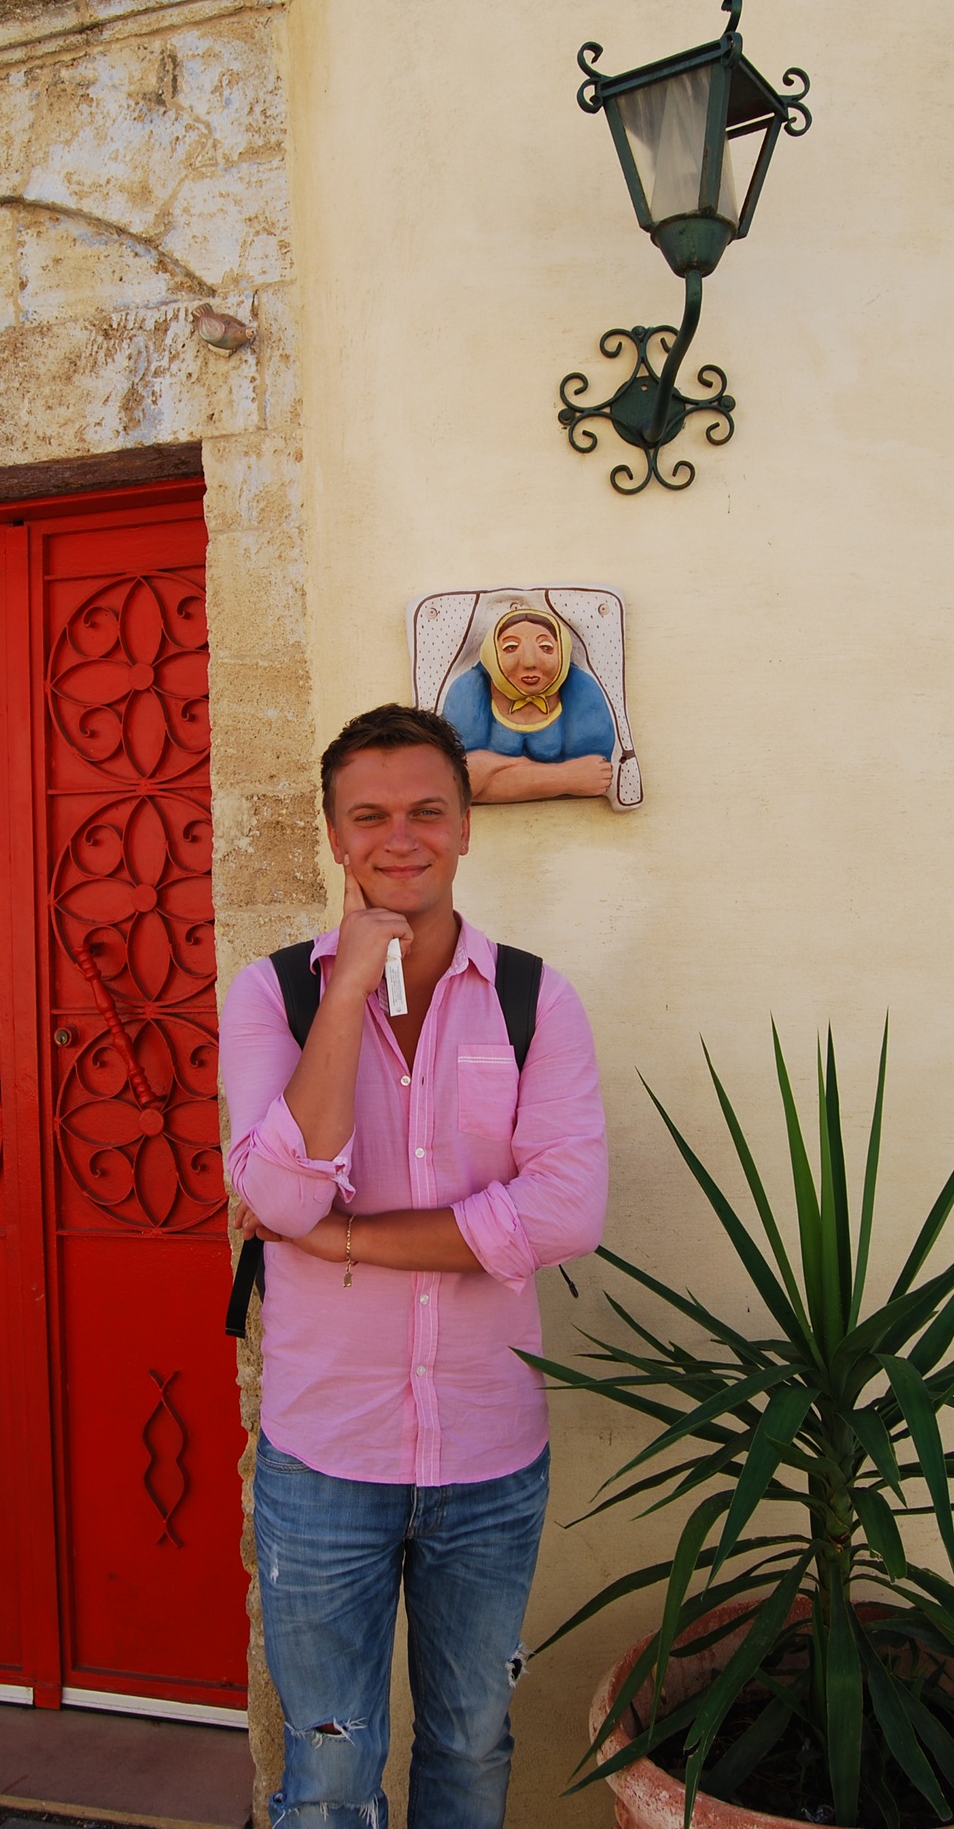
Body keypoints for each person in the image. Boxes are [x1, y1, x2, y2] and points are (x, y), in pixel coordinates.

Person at [219, 702, 608, 1829]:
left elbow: (563, 1212)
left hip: (489, 1455)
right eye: (370, 815)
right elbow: (281, 1197)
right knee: (330, 1773)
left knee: (471, 1743)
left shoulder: (535, 998)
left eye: (427, 811)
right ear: (334, 835)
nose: (400, 837)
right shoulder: (274, 995)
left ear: (466, 827)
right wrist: (348, 988)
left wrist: (345, 1240)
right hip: (325, 1457)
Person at [441, 608, 615, 802]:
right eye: (510, 648)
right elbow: (456, 784)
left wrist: (487, 764)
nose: (529, 661)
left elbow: (597, 775)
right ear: (492, 653)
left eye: (546, 648)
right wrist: (566, 777)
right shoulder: (470, 689)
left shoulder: (580, 688)